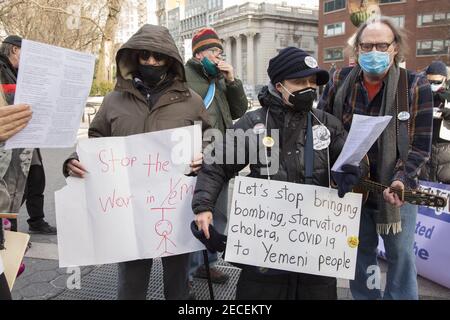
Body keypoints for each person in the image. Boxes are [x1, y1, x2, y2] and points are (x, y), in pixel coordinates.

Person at [191, 47, 366, 299]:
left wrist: (352, 170)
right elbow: (217, 164)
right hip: (264, 249)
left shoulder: (327, 124)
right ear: (279, 85)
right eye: (298, 81)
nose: (307, 87)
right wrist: (204, 206)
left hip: (316, 247)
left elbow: (353, 162)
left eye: (311, 81)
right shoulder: (253, 124)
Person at [62, 24, 210, 300]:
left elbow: (211, 139)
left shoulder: (192, 101)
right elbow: (94, 139)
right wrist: (74, 159)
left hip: (175, 208)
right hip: (127, 207)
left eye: (158, 56)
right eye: (145, 55)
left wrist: (206, 156)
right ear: (134, 57)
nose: (151, 62)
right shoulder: (113, 100)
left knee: (178, 285)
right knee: (131, 285)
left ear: (170, 60)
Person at [318, 17, 433, 300]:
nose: (374, 52)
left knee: (401, 255)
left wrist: (401, 180)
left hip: (396, 191)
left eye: (382, 45)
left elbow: (419, 145)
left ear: (395, 48)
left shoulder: (414, 86)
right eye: (367, 46)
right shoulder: (339, 80)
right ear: (356, 49)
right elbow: (320, 128)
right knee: (359, 252)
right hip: (351, 189)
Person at [185, 27, 247, 286]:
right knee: (189, 215)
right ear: (199, 54)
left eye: (220, 51)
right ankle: (184, 271)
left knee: (218, 213)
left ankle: (207, 264)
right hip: (194, 157)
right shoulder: (185, 77)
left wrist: (232, 82)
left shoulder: (220, 78)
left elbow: (239, 110)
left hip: (219, 158)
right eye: (214, 51)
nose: (219, 56)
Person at [0, 35, 56, 235]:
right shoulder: (1, 70)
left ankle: (36, 221)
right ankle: (9, 236)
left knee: (36, 178)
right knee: (10, 190)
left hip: (27, 137)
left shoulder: (17, 72)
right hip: (9, 141)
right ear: (14, 50)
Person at [419, 61, 450, 183]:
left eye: (437, 82)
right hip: (425, 148)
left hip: (445, 150)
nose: (433, 85)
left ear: (445, 79)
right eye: (429, 82)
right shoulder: (420, 95)